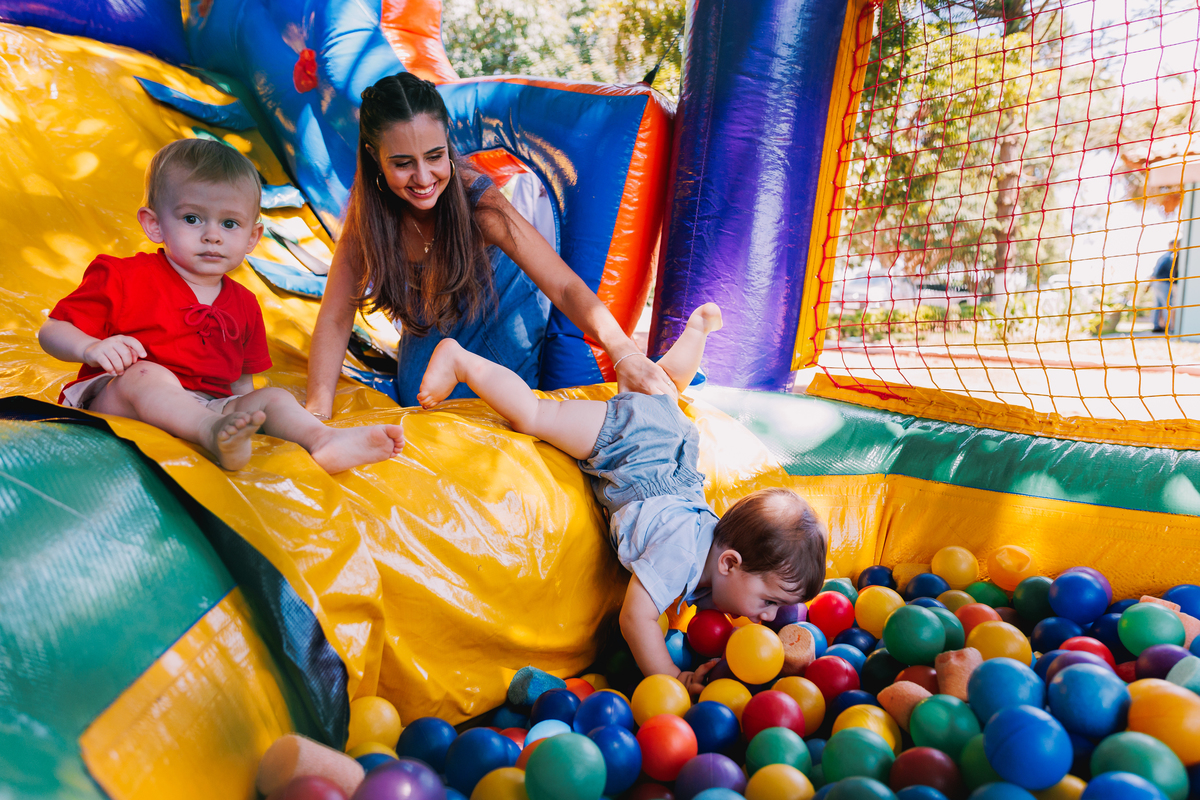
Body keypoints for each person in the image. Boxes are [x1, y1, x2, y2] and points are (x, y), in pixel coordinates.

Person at [415, 303, 828, 694]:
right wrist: (671, 677)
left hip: (669, 438)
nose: (769, 617)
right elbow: (635, 619)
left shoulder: (720, 562)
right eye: (769, 601)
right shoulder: (679, 554)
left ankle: (697, 331)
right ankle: (461, 360)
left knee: (666, 388)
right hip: (630, 441)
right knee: (535, 415)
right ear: (729, 563)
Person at [304, 72, 676, 416]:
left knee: (486, 416)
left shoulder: (479, 206)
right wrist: (318, 413)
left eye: (435, 156)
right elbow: (336, 317)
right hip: (432, 326)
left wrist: (624, 352)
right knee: (416, 400)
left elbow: (563, 286)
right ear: (374, 156)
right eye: (403, 163)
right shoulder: (369, 218)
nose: (423, 177)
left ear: (447, 143)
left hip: (500, 321)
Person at [38, 139, 405, 473]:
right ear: (154, 225)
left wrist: (246, 416)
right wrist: (91, 347)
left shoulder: (244, 304)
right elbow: (52, 330)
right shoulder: (123, 276)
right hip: (117, 398)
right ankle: (211, 432)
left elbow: (239, 384)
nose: (212, 235)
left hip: (207, 406)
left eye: (229, 223)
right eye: (192, 219)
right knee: (147, 374)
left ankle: (323, 441)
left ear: (252, 237)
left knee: (273, 396)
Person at [1152, 239, 1180, 333]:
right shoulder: (1168, 257)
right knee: (1167, 305)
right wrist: (1158, 277)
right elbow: (1158, 269)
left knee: (1158, 305)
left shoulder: (1165, 256)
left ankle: (1156, 326)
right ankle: (1169, 327)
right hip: (1162, 282)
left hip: (1158, 282)